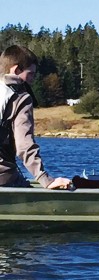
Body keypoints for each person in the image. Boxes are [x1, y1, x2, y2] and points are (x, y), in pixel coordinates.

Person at [0, 45, 71, 189]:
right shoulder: (20, 98)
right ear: (16, 70)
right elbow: (24, 145)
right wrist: (46, 180)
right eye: (30, 73)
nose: (33, 79)